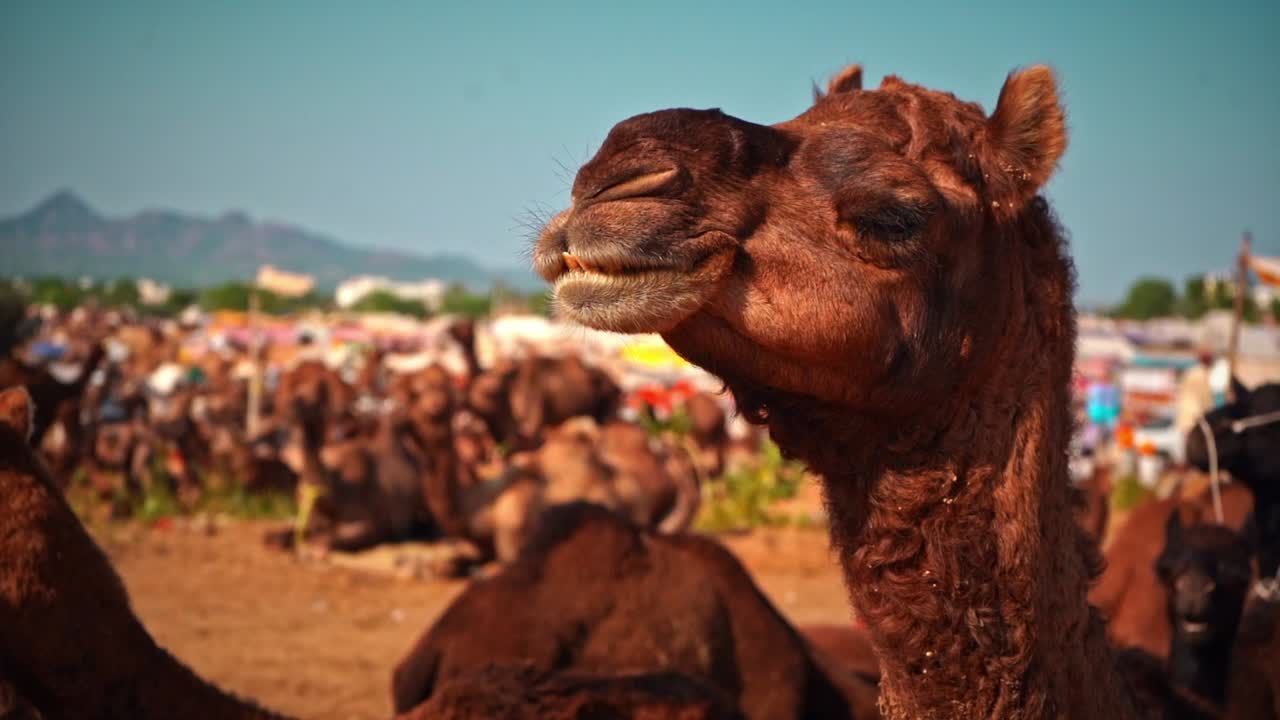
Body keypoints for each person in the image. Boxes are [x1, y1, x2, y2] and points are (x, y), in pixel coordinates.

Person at [1174, 351, 1216, 437]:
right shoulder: (1204, 374)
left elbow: (1181, 391)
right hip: (1196, 416)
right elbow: (1205, 399)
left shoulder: (1192, 371)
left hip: (1186, 414)